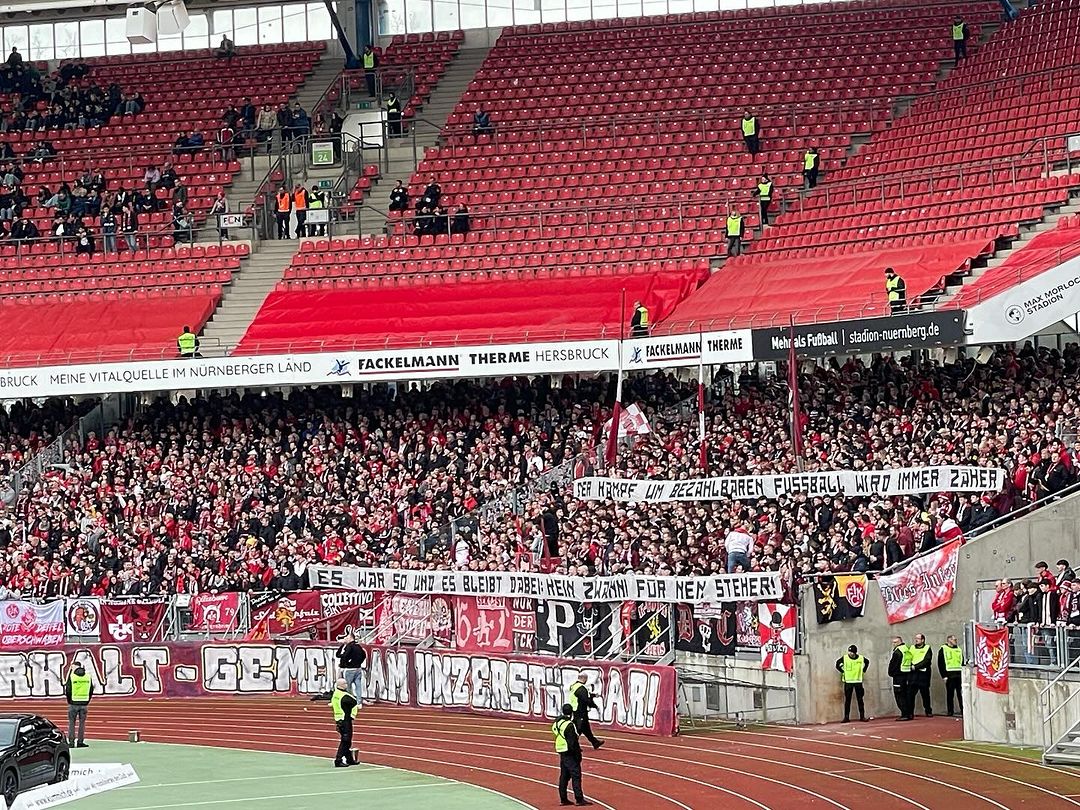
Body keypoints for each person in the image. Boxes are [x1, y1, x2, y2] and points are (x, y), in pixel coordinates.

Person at [552, 703, 592, 806]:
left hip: (561, 750)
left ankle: (563, 798)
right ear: (571, 712)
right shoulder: (569, 725)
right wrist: (578, 754)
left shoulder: (557, 723)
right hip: (569, 751)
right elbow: (573, 742)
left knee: (564, 776)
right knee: (576, 774)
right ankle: (579, 798)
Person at [568, 673, 604, 750]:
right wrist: (594, 706)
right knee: (578, 729)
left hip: (576, 710)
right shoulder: (582, 688)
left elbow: (582, 695)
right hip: (580, 711)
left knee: (586, 729)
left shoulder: (574, 686)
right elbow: (585, 699)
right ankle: (572, 745)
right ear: (584, 679)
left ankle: (595, 742)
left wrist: (593, 695)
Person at [330, 677, 360, 768]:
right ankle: (338, 760)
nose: (346, 685)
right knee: (346, 741)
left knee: (346, 740)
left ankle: (349, 759)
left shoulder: (336, 694)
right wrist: (353, 715)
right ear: (341, 686)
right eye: (345, 684)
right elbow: (354, 701)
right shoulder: (344, 695)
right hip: (345, 720)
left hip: (339, 719)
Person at [835, 645, 869, 722]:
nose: (850, 653)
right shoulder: (845, 658)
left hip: (858, 681)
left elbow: (867, 662)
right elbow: (837, 664)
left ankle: (862, 716)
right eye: (849, 651)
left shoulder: (860, 658)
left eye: (851, 652)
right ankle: (846, 717)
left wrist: (864, 670)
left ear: (855, 652)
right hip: (848, 682)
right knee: (847, 700)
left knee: (860, 699)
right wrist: (842, 670)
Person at [65, 663, 93, 748]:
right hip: (84, 703)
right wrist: (87, 700)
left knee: (71, 723)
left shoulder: (72, 677)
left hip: (73, 703)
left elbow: (68, 690)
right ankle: (80, 742)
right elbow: (91, 689)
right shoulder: (88, 676)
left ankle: (71, 742)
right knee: (82, 724)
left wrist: (69, 701)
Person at [336, 630, 367, 702]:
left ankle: (350, 700)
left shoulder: (349, 646)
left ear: (350, 638)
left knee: (347, 686)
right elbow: (364, 655)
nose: (345, 638)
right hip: (358, 668)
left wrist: (347, 662)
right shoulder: (358, 646)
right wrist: (359, 663)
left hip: (350, 669)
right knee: (358, 685)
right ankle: (359, 701)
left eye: (347, 637)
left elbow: (345, 655)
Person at [937, 634, 964, 717]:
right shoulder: (943, 649)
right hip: (949, 674)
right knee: (950, 694)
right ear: (949, 640)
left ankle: (963, 710)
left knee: (961, 694)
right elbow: (940, 663)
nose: (956, 641)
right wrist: (944, 676)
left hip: (959, 674)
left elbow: (962, 661)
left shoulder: (959, 649)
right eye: (954, 640)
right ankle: (950, 711)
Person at [888, 636, 913, 720]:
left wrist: (891, 673)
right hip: (907, 675)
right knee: (906, 695)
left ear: (899, 642)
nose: (893, 644)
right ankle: (909, 713)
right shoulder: (906, 649)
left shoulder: (898, 652)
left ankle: (904, 714)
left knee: (899, 696)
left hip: (898, 676)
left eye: (895, 642)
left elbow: (894, 664)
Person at [909, 633, 933, 717]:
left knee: (925, 694)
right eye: (915, 638)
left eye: (918, 638)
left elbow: (927, 660)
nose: (916, 640)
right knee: (911, 695)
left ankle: (928, 711)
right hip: (913, 675)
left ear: (923, 640)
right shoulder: (911, 648)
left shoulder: (927, 648)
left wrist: (915, 666)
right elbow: (908, 658)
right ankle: (910, 712)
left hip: (923, 674)